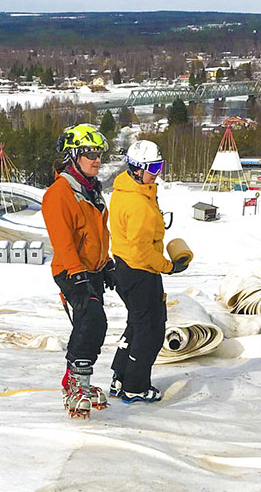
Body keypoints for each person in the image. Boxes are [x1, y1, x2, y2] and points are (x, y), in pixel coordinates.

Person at [41, 124, 115, 418]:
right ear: (73, 156)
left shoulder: (91, 190)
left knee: (94, 325)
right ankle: (75, 382)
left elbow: (98, 232)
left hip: (92, 269)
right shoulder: (59, 193)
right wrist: (77, 274)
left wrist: (105, 262)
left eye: (98, 154)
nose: (96, 160)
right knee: (92, 321)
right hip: (71, 270)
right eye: (89, 154)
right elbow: (62, 240)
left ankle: (79, 379)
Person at [108, 139, 187, 404]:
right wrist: (169, 267)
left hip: (126, 268)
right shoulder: (138, 204)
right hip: (140, 272)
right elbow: (142, 251)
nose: (158, 172)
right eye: (154, 167)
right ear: (136, 169)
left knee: (136, 325)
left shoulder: (127, 190)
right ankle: (135, 386)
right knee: (151, 331)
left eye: (160, 166)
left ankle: (120, 376)